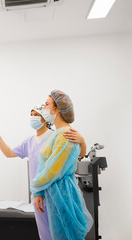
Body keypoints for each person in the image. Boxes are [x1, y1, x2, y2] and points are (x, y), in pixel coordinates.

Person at [0, 104, 87, 240]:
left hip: (55, 193)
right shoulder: (29, 141)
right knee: (45, 235)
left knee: (63, 234)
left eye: (36, 115)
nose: (33, 118)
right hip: (38, 196)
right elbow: (9, 153)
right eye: (31, 115)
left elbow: (76, 154)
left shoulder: (55, 136)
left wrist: (82, 142)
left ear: (45, 117)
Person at [31, 90, 93, 240]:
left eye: (46, 104)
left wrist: (35, 187)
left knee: (68, 235)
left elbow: (53, 170)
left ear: (57, 109)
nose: (43, 108)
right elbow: (44, 164)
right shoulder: (56, 134)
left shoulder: (66, 136)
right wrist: (38, 192)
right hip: (53, 193)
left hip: (63, 194)